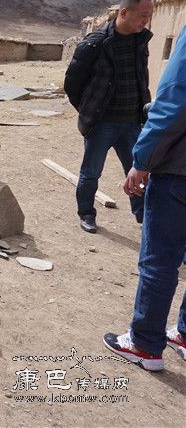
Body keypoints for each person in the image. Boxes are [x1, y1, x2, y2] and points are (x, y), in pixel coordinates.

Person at [103, 25, 186, 372]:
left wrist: (143, 160)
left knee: (159, 260)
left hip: (179, 172)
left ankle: (145, 344)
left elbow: (173, 103)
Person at [64, 0, 154, 234]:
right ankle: (86, 213)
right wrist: (89, 110)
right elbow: (73, 84)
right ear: (124, 12)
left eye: (149, 16)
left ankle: (143, 217)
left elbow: (141, 78)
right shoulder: (95, 43)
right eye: (142, 15)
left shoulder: (140, 41)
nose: (146, 21)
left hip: (132, 123)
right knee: (91, 173)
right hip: (101, 123)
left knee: (138, 172)